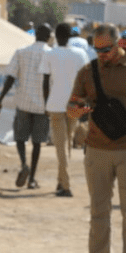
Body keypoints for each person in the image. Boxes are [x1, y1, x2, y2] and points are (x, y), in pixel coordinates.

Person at [67, 23, 126, 253]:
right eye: (97, 49)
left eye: (106, 49)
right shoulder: (88, 71)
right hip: (98, 149)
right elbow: (72, 106)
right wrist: (79, 110)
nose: (101, 54)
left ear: (119, 43)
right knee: (99, 210)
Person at [0, 23, 53, 189]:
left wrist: (0, 99)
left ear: (34, 34)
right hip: (43, 106)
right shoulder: (51, 54)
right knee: (37, 143)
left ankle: (23, 164)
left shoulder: (21, 52)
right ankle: (32, 179)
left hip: (23, 103)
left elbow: (11, 78)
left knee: (20, 138)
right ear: (49, 37)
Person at [40, 23, 89, 197]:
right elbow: (85, 81)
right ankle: (61, 181)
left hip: (55, 104)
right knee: (66, 144)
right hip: (74, 105)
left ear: (56, 36)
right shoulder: (81, 54)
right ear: (70, 37)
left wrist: (45, 103)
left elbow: (45, 83)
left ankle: (66, 185)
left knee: (61, 146)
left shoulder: (49, 54)